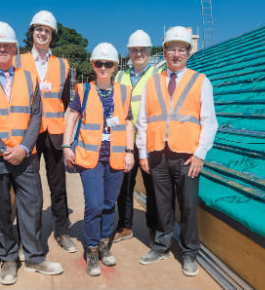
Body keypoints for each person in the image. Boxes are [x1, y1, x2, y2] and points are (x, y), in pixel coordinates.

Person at [0, 21, 63, 285]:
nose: (2, 49)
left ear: (15, 47)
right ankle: (8, 258)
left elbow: (35, 116)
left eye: (7, 45)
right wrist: (1, 148)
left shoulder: (29, 78)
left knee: (31, 206)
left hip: (25, 156)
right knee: (1, 210)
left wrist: (22, 148)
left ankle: (33, 256)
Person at [136, 26, 218, 276]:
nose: (175, 54)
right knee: (161, 203)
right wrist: (142, 153)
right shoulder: (151, 83)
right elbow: (143, 121)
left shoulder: (200, 81)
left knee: (189, 206)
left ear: (187, 53)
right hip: (158, 153)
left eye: (181, 49)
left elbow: (210, 121)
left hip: (186, 156)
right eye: (171, 49)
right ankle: (161, 245)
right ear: (164, 52)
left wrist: (200, 153)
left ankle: (189, 253)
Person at [62, 43, 135, 276]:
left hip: (115, 157)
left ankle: (104, 244)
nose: (103, 67)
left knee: (108, 204)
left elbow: (128, 122)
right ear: (93, 65)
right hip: (89, 158)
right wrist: (65, 146)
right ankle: (92, 249)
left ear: (115, 66)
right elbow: (72, 115)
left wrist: (130, 151)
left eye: (108, 64)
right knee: (94, 204)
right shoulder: (83, 90)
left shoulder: (124, 91)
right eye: (99, 63)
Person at [14, 10, 76, 253]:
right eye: (38, 29)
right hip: (29, 132)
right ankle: (29, 237)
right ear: (31, 33)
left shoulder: (62, 64)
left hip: (54, 132)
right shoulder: (18, 62)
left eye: (47, 31)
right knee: (29, 189)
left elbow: (64, 98)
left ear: (52, 36)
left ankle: (62, 232)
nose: (42, 33)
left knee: (58, 186)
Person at [113, 30, 160, 244]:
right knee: (124, 185)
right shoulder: (120, 76)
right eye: (134, 50)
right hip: (125, 139)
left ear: (149, 52)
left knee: (152, 186)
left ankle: (153, 228)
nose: (138, 53)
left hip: (149, 139)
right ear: (129, 53)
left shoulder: (157, 75)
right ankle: (125, 226)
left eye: (142, 50)